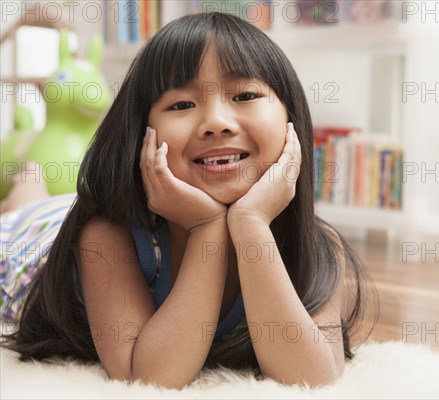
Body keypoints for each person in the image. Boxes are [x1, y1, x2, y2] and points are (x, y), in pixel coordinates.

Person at [0, 12, 378, 389]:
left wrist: (251, 226)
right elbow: (147, 376)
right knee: (23, 199)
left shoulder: (315, 245)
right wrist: (207, 228)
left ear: (291, 119)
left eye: (245, 95)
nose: (217, 122)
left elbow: (313, 376)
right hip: (35, 238)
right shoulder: (106, 237)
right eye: (181, 105)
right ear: (140, 134)